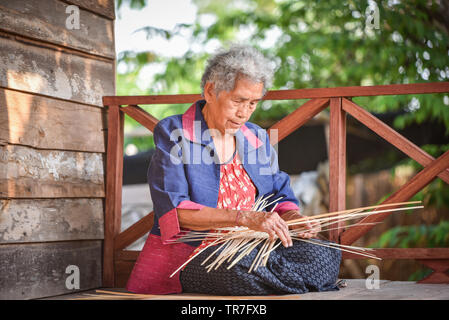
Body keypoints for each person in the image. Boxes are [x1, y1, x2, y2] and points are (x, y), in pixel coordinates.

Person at [126, 45, 341, 295]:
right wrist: (244, 218)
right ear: (210, 90)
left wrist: (294, 220)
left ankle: (276, 280)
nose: (244, 113)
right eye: (238, 100)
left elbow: (279, 195)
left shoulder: (256, 138)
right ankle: (290, 281)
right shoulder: (176, 133)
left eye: (252, 103)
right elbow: (175, 211)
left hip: (256, 247)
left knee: (325, 254)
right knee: (235, 269)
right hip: (198, 253)